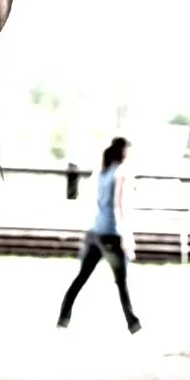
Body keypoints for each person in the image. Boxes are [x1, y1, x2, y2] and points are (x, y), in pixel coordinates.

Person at [57, 137, 141, 334]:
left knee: (81, 277)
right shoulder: (121, 171)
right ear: (122, 151)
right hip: (111, 233)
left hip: (94, 231)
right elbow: (118, 205)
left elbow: (96, 201)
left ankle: (63, 317)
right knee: (121, 282)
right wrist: (126, 235)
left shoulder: (101, 171)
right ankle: (134, 325)